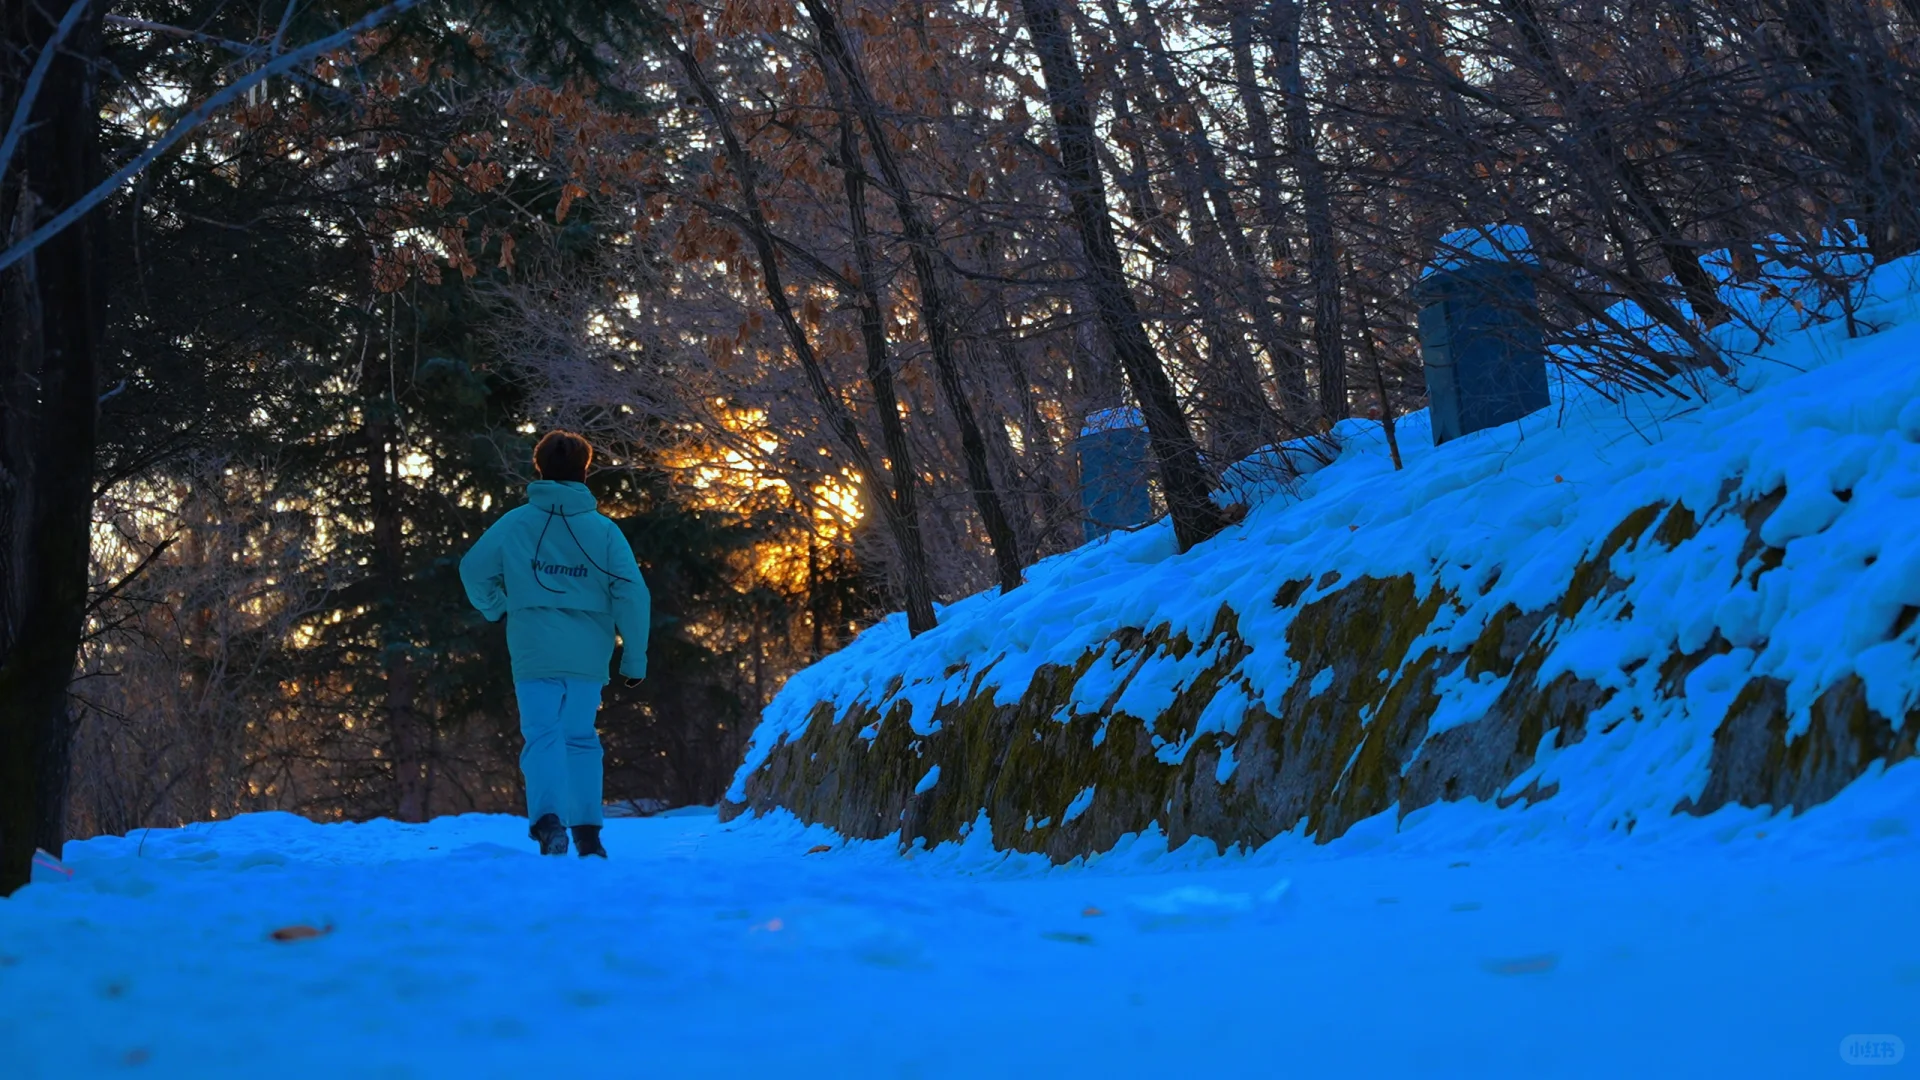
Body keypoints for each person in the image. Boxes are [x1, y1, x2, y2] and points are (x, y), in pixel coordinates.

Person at [459, 430, 650, 857]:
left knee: (542, 735)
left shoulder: (516, 523)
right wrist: (634, 657)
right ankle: (588, 834)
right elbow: (632, 593)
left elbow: (473, 569)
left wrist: (496, 607)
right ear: (585, 469)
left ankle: (548, 824)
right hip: (588, 653)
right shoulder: (604, 530)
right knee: (580, 737)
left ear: (539, 468)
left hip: (533, 649)